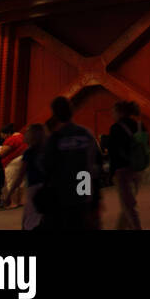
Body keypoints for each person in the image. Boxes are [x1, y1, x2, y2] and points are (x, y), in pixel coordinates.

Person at [39, 95, 103, 230]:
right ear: (72, 110)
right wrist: (94, 197)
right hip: (83, 188)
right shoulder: (86, 134)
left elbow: (46, 167)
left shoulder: (55, 139)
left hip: (63, 194)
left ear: (55, 114)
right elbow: (95, 164)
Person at [108, 100, 143, 230]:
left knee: (128, 206)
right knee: (128, 204)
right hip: (137, 169)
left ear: (119, 112)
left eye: (113, 111)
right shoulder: (138, 125)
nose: (112, 114)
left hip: (122, 170)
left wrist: (111, 173)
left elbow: (114, 152)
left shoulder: (115, 128)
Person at [0, 123, 29, 209]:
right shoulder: (21, 136)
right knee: (21, 183)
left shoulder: (11, 140)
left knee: (12, 182)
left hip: (12, 163)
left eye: (3, 135)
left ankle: (14, 202)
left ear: (7, 133)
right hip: (21, 160)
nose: (3, 137)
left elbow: (2, 153)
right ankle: (20, 201)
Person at [20, 123, 48, 230]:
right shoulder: (48, 149)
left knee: (29, 221)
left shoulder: (29, 153)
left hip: (34, 188)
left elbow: (20, 174)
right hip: (47, 186)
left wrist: (9, 193)